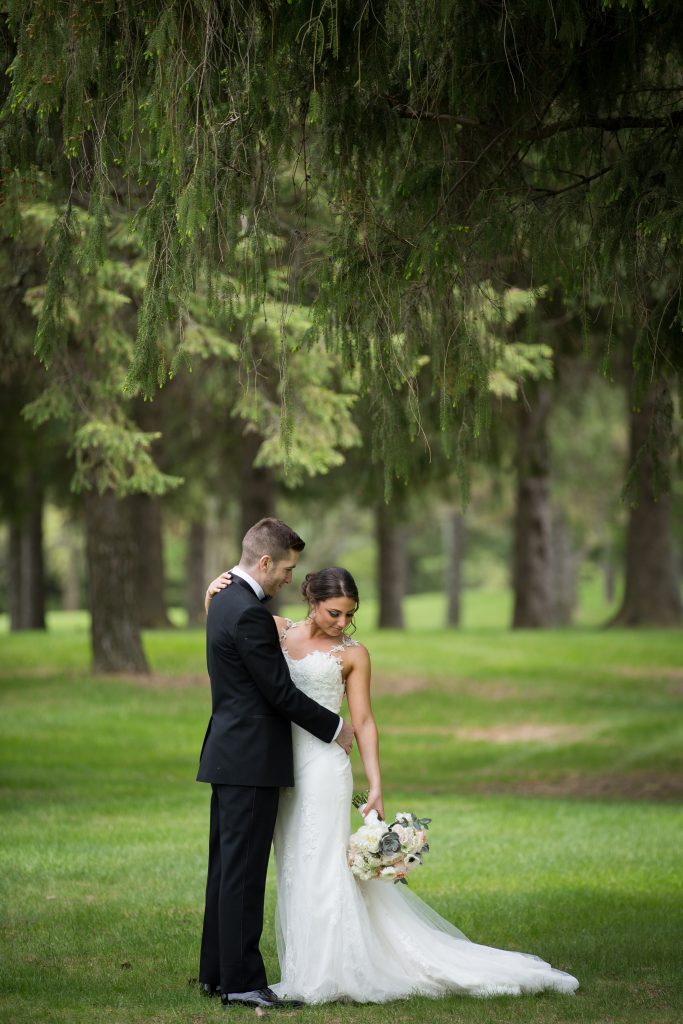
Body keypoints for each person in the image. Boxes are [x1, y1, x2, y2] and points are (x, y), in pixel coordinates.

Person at [205, 563, 580, 1003]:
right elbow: (226, 619)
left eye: (349, 614)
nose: (342, 623)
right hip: (278, 766)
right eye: (333, 613)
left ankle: (328, 972)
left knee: (324, 867)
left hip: (325, 768)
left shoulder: (354, 654)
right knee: (293, 866)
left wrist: (376, 784)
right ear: (311, 602)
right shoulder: (277, 630)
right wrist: (211, 592)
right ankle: (300, 964)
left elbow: (363, 720)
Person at [196, 518, 354, 1011]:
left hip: (229, 754)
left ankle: (216, 974)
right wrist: (334, 727)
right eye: (286, 569)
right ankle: (242, 983)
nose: (290, 578)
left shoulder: (225, 599)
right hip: (250, 759)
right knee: (242, 874)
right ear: (264, 563)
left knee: (226, 868)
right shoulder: (246, 612)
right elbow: (280, 692)